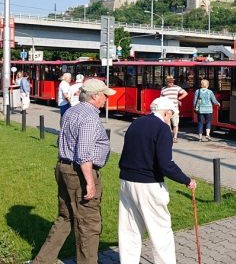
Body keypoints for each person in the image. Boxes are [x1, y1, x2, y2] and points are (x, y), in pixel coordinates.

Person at [31, 79, 115, 264]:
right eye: (104, 95)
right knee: (88, 223)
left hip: (64, 168)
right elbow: (84, 153)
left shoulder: (72, 111)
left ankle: (42, 260)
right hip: (79, 173)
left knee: (66, 217)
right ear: (95, 96)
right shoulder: (89, 116)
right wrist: (90, 183)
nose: (106, 99)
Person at [118, 96, 197, 264]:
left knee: (129, 228)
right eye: (171, 114)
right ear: (167, 113)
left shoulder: (136, 123)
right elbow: (166, 165)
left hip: (126, 180)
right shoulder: (162, 129)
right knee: (160, 230)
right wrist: (187, 180)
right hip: (148, 183)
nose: (171, 118)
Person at [160, 75, 187, 143]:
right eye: (170, 82)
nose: (171, 83)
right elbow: (161, 99)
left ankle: (175, 137)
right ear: (167, 82)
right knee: (167, 125)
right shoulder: (163, 89)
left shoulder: (177, 88)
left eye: (172, 82)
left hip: (174, 109)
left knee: (175, 124)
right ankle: (169, 136)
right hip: (166, 109)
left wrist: (178, 99)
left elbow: (185, 93)